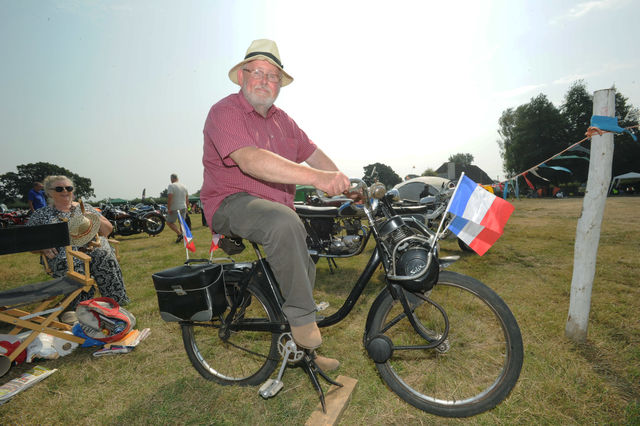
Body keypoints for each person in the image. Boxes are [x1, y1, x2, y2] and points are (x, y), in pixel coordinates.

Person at [200, 39, 350, 370]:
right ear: (241, 76)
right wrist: (316, 179)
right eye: (258, 73)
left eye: (273, 77)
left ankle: (302, 349)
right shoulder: (225, 111)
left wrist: (340, 179)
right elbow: (250, 160)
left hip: (272, 205)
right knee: (284, 223)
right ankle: (302, 322)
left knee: (303, 262)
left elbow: (312, 153)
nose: (266, 81)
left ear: (280, 85)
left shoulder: (283, 120)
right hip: (231, 201)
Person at [26, 175, 130, 307]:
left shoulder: (84, 207)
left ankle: (116, 303)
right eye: (59, 188)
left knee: (104, 255)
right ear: (49, 192)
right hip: (63, 253)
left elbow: (107, 230)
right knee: (72, 264)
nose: (65, 191)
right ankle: (80, 308)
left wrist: (92, 217)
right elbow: (27, 241)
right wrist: (42, 246)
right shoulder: (41, 214)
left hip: (92, 246)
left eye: (68, 188)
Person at [166, 174, 189, 243]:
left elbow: (170, 198)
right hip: (183, 206)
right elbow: (187, 199)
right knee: (182, 223)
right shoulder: (184, 186)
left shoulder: (171, 186)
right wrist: (187, 207)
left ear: (172, 179)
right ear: (177, 178)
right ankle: (182, 238)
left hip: (175, 207)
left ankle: (179, 234)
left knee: (169, 222)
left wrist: (169, 208)